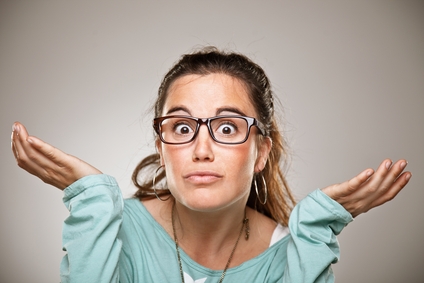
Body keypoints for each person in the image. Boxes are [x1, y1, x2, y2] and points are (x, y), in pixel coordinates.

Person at [11, 47, 411, 283]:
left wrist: (313, 233)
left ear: (261, 152)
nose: (202, 149)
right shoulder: (113, 230)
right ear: (162, 146)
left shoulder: (292, 255)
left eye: (226, 127)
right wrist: (94, 201)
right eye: (182, 127)